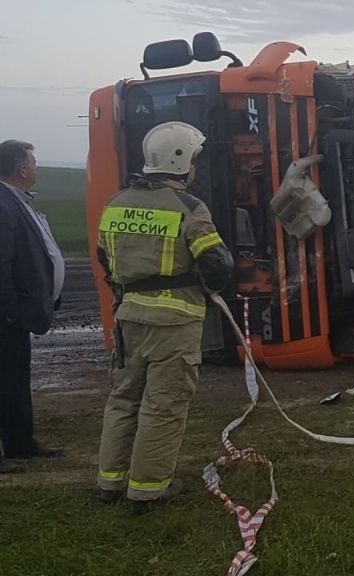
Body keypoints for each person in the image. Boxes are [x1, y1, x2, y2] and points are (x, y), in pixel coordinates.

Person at [94, 122, 233, 514]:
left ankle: (110, 482)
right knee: (163, 405)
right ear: (181, 160)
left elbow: (105, 258)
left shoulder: (116, 202)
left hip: (129, 318)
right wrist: (208, 286)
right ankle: (147, 491)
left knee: (122, 400)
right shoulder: (189, 207)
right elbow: (217, 263)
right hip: (175, 322)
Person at [0, 140, 65, 474]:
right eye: (34, 163)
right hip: (6, 315)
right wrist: (10, 310)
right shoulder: (3, 204)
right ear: (22, 170)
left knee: (14, 378)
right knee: (4, 379)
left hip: (15, 314)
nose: (37, 167)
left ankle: (20, 443)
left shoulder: (16, 201)